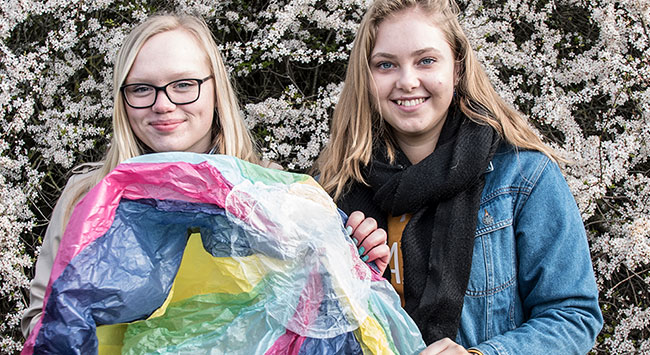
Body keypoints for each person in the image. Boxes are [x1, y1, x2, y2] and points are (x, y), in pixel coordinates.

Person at [21, 13, 388, 339]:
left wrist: (353, 260)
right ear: (123, 99)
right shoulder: (87, 196)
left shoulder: (272, 191)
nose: (162, 104)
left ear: (215, 91)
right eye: (141, 89)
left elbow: (313, 314)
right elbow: (42, 323)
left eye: (183, 85)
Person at [315, 0, 603, 354]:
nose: (407, 81)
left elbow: (573, 315)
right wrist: (347, 266)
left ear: (457, 68)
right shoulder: (331, 190)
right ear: (367, 76)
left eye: (426, 60)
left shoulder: (524, 177)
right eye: (385, 65)